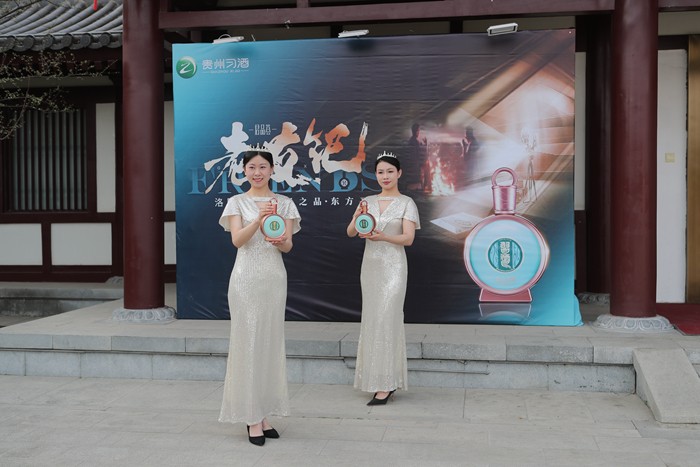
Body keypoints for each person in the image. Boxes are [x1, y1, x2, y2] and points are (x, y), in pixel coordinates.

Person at [218, 149, 301, 446]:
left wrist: (280, 240)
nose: (257, 172)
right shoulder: (236, 202)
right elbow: (237, 240)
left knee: (268, 343)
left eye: (263, 167)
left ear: (272, 169)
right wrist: (259, 219)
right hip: (245, 279)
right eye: (252, 167)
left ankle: (262, 412)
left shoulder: (286, 203)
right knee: (248, 342)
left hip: (274, 279)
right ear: (244, 170)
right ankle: (251, 417)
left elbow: (288, 245)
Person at [346, 151, 420, 405]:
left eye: (389, 171)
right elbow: (350, 231)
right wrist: (358, 216)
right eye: (380, 172)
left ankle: (387, 383)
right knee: (373, 319)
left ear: (399, 173)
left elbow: (408, 239)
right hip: (371, 268)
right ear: (375, 175)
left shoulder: (407, 203)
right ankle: (375, 378)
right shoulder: (367, 201)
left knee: (388, 319)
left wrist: (384, 237)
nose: (385, 176)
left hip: (394, 268)